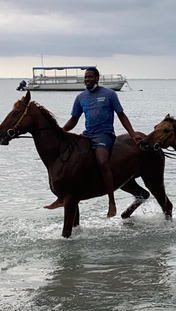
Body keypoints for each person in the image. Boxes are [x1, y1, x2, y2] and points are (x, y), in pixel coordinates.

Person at [44, 67, 142, 217]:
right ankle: (63, 196)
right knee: (71, 160)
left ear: (97, 78)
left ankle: (111, 202)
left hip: (105, 134)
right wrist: (61, 133)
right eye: (85, 77)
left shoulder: (109, 94)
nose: (87, 80)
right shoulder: (81, 97)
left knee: (102, 161)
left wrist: (132, 134)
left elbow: (121, 115)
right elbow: (74, 119)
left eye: (90, 77)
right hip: (87, 135)